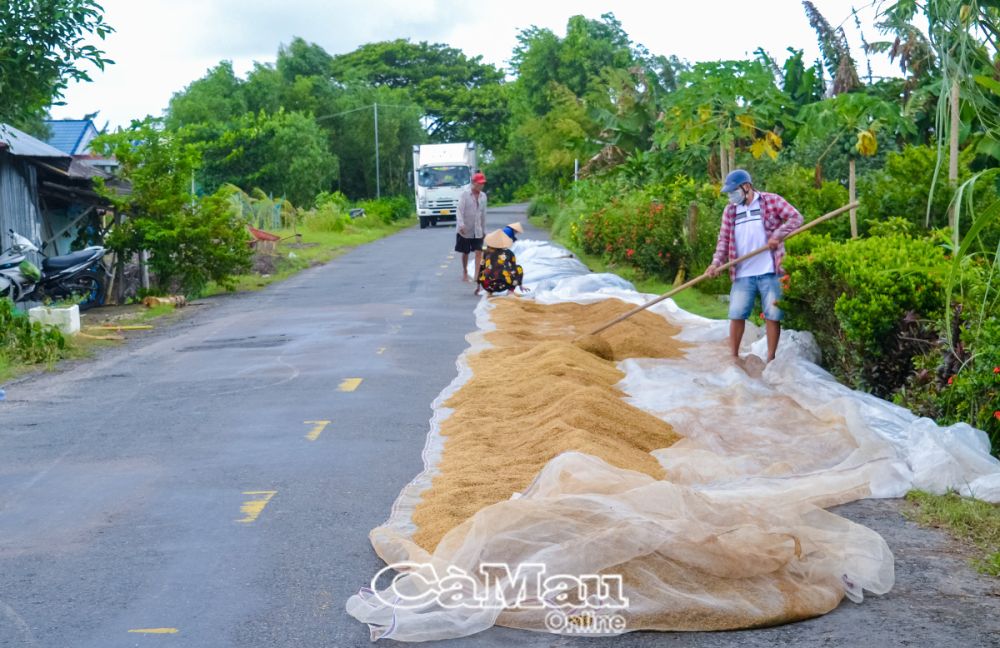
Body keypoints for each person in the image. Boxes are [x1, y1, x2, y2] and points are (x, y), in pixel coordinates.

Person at [705, 169, 803, 363]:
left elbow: (796, 218)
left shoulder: (771, 201)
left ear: (747, 187)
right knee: (736, 314)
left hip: (770, 270)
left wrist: (778, 234)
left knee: (773, 315)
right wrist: (715, 263)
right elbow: (723, 241)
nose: (731, 195)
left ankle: (771, 359)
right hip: (742, 272)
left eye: (734, 191)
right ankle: (733, 358)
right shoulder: (731, 211)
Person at [476, 223, 528, 297]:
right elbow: (514, 268)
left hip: (487, 285)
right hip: (503, 285)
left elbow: (481, 269)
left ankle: (489, 292)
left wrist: (478, 286)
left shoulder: (486, 253)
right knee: (518, 268)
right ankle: (510, 291)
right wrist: (520, 284)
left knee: (484, 267)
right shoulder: (509, 253)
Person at [455, 171, 488, 283]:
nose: (481, 185)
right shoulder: (465, 194)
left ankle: (477, 275)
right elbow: (459, 211)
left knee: (479, 251)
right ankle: (465, 271)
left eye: (483, 183)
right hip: (465, 229)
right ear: (473, 183)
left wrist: (484, 230)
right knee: (466, 252)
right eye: (479, 183)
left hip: (477, 229)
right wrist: (461, 224)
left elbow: (483, 214)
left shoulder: (483, 196)